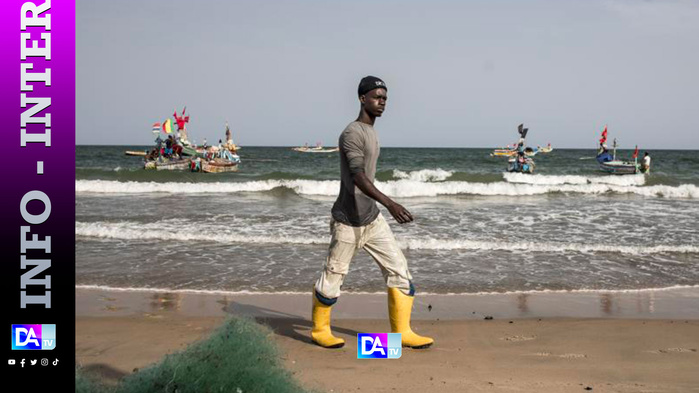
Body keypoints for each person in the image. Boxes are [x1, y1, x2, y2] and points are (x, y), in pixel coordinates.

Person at [311, 76, 433, 350]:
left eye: (385, 98)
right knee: (333, 278)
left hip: (372, 219)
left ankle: (400, 335)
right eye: (377, 97)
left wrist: (382, 207)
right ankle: (320, 330)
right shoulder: (352, 133)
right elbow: (357, 177)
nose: (382, 102)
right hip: (348, 221)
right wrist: (391, 203)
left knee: (400, 272)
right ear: (362, 98)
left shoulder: (372, 132)